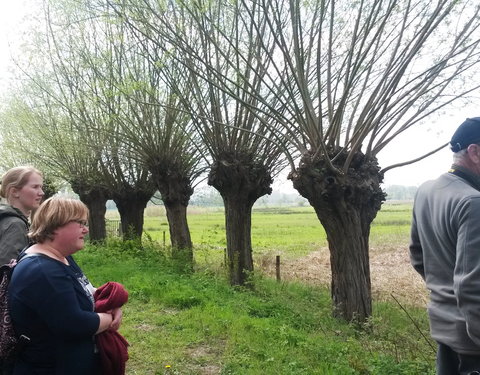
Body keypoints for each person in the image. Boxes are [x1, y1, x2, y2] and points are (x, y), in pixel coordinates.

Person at [7, 197, 122, 375]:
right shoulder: (42, 271)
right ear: (56, 224)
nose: (86, 229)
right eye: (81, 223)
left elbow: (85, 289)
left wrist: (112, 305)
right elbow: (74, 324)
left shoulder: (61, 257)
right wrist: (110, 319)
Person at [410, 117, 480, 375]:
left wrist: (445, 296)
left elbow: (418, 256)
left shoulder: (427, 190)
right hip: (472, 347)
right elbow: (473, 286)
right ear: (474, 152)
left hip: (444, 330)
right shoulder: (473, 202)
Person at [0, 166, 44, 265]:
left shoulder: (6, 219)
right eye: (35, 187)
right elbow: (7, 271)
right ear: (14, 191)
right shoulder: (15, 225)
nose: (41, 193)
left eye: (41, 187)